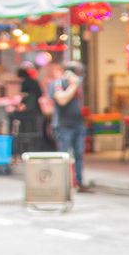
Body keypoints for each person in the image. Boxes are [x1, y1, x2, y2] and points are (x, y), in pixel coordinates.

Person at [44, 58, 87, 190]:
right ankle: (62, 183)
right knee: (64, 155)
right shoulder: (58, 84)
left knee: (79, 153)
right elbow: (61, 100)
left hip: (78, 124)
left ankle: (79, 182)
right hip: (63, 126)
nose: (80, 77)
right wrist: (73, 85)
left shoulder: (78, 86)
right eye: (78, 74)